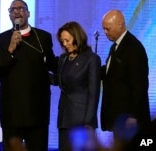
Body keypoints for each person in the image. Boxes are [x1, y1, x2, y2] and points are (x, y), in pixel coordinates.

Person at [0, 0, 58, 151]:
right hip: (12, 114)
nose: (17, 11)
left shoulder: (43, 38)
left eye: (21, 8)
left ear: (28, 13)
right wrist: (10, 49)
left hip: (37, 113)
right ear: (9, 15)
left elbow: (53, 66)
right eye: (12, 9)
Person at [100, 10, 151, 150]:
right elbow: (111, 73)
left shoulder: (134, 48)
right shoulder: (116, 46)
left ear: (120, 25)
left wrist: (133, 116)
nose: (105, 32)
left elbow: (139, 86)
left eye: (107, 28)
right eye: (103, 28)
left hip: (129, 120)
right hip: (119, 119)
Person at [56, 21, 101, 151]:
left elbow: (94, 93)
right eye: (62, 41)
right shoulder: (64, 58)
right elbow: (60, 80)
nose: (65, 44)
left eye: (67, 40)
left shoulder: (91, 59)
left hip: (81, 120)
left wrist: (88, 122)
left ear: (77, 37)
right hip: (64, 118)